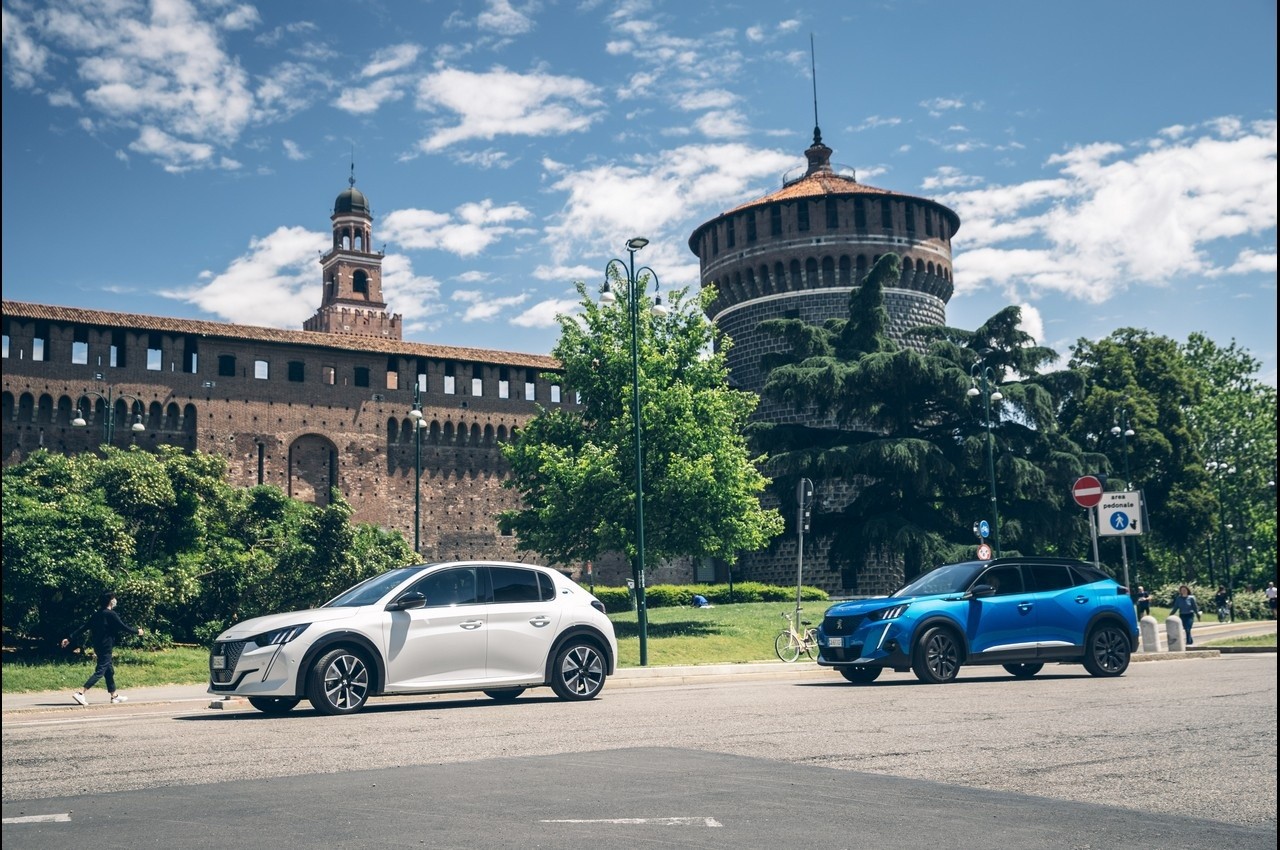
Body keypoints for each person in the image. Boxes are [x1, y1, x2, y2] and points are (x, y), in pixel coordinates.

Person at [60, 591, 145, 705]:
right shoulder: (111, 614)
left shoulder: (97, 614)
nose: (115, 600)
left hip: (98, 646)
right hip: (106, 646)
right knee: (101, 670)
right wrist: (137, 631)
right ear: (110, 601)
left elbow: (84, 627)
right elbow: (123, 627)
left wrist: (69, 638)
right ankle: (81, 693)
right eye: (113, 598)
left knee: (109, 670)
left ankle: (114, 696)